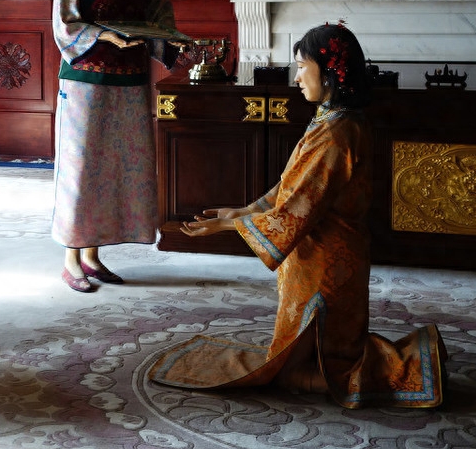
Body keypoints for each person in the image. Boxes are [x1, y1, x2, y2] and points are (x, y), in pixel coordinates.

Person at [147, 23, 446, 408]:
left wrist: (228, 224)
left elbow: (299, 208)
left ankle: (416, 369)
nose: (297, 77)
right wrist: (243, 211)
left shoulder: (336, 133)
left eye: (303, 67)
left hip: (326, 262)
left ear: (330, 72)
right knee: (309, 357)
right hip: (323, 255)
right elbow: (290, 186)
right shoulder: (333, 118)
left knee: (305, 370)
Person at [51, 0, 183, 292]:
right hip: (86, 83)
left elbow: (160, 20)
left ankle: (93, 256)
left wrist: (173, 42)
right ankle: (72, 259)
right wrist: (104, 36)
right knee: (82, 168)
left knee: (116, 169)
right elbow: (66, 23)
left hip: (130, 83)